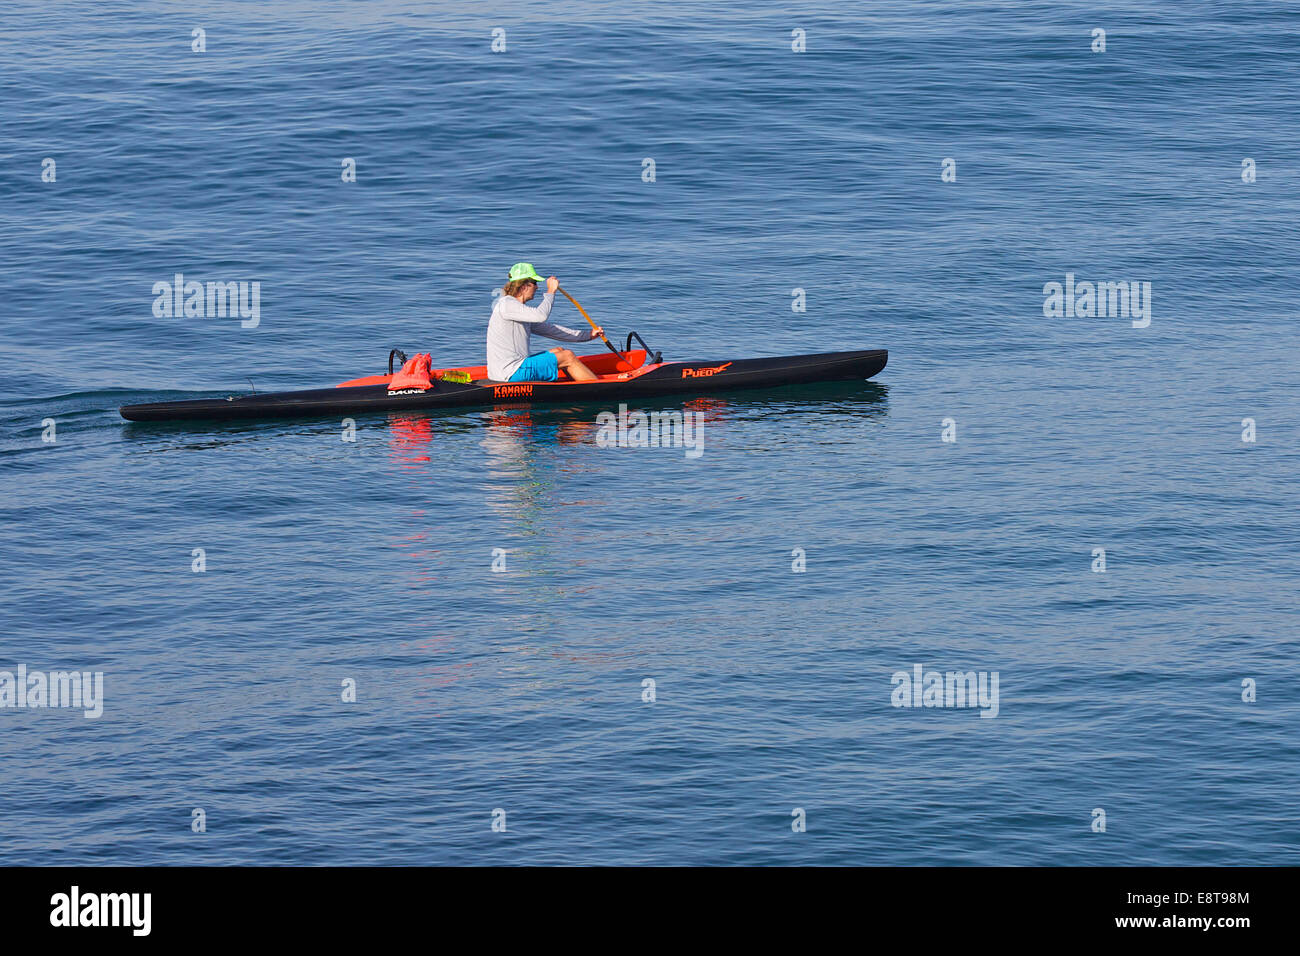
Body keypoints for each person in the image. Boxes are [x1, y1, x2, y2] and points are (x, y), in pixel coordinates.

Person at [487, 263, 603, 382]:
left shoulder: (518, 311)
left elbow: (552, 331)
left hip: (507, 370)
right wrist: (551, 291)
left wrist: (588, 335)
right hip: (511, 373)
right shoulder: (507, 304)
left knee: (559, 351)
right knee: (568, 356)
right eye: (535, 283)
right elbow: (541, 315)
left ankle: (578, 384)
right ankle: (599, 389)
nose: (537, 287)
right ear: (523, 287)